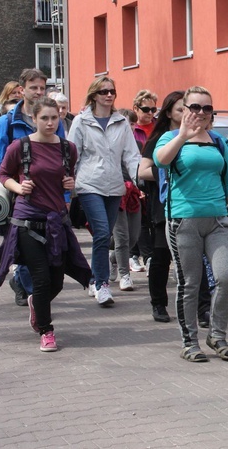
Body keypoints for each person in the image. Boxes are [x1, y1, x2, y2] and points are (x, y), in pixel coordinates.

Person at [154, 85, 228, 362]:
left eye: (207, 108)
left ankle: (216, 335)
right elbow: (161, 161)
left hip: (218, 219)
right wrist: (183, 135)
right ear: (183, 109)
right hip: (183, 220)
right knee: (190, 283)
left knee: (227, 277)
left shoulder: (218, 141)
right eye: (195, 107)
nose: (202, 112)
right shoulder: (170, 137)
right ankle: (189, 341)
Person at [0, 97, 91, 351]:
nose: (50, 122)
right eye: (44, 118)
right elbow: (3, 174)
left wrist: (70, 184)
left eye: (54, 118)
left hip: (56, 221)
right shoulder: (21, 146)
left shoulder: (67, 148)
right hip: (27, 219)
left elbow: (68, 176)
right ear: (34, 120)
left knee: (56, 281)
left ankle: (37, 304)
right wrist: (19, 186)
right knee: (41, 278)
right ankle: (47, 331)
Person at [0, 69, 65, 307]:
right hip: (14, 193)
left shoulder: (54, 119)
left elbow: (64, 159)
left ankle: (30, 288)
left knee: (43, 244)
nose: (38, 92)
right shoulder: (7, 122)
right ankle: (33, 292)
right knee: (21, 242)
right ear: (23, 89)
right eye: (34, 87)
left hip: (46, 194)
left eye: (42, 88)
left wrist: (65, 194)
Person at [68, 76, 141, 307]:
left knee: (104, 236)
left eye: (112, 91)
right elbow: (71, 154)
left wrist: (140, 180)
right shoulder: (81, 121)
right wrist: (70, 185)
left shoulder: (121, 122)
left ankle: (92, 278)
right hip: (89, 185)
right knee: (101, 234)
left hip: (114, 186)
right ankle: (102, 285)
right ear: (93, 96)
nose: (109, 95)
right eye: (103, 92)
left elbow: (131, 156)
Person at [139, 90, 184, 322]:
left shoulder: (199, 136)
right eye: (181, 109)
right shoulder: (158, 140)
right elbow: (142, 171)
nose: (187, 112)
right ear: (169, 112)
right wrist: (167, 170)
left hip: (190, 204)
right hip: (163, 203)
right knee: (161, 254)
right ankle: (158, 303)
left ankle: (199, 306)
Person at [107, 108, 141, 292]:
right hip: (116, 193)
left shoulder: (138, 145)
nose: (130, 127)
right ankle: (124, 275)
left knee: (134, 236)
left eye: (133, 123)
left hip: (134, 194)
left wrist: (141, 186)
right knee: (121, 235)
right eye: (126, 123)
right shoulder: (111, 145)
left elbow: (140, 170)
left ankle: (113, 259)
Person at [130, 89, 158, 272]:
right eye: (145, 109)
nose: (150, 113)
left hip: (154, 177)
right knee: (138, 219)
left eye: (153, 109)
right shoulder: (131, 129)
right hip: (136, 178)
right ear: (136, 108)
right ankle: (136, 256)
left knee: (153, 219)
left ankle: (147, 256)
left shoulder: (158, 127)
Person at [0, 81, 23, 150]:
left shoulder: (25, 111)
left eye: (19, 92)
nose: (17, 95)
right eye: (14, 93)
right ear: (7, 94)